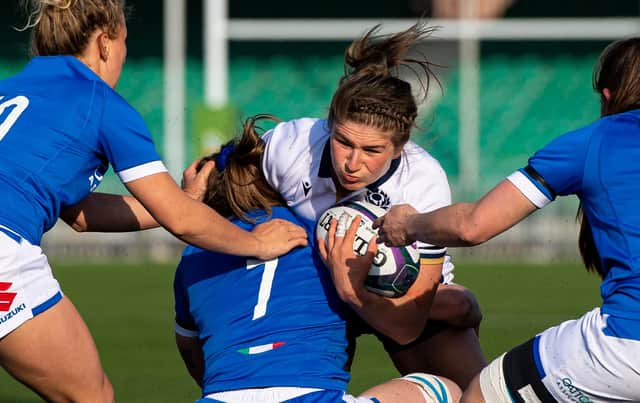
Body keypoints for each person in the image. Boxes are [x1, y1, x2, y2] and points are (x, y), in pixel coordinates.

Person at [0, 1, 306, 402]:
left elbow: (79, 214)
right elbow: (182, 222)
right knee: (90, 397)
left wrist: (184, 199)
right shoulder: (100, 102)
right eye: (125, 42)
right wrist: (257, 243)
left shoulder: (12, 88)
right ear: (105, 43)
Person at [374, 37, 640, 402]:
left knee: (483, 392)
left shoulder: (595, 141)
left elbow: (473, 225)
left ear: (608, 95)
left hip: (626, 345)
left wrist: (407, 225)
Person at [256, 22, 487, 387]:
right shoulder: (291, 145)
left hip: (392, 296)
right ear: (329, 125)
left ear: (400, 147)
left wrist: (351, 288)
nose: (352, 162)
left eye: (372, 150)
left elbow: (407, 327)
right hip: (308, 287)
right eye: (344, 142)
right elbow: (226, 186)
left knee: (474, 385)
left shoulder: (422, 180)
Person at [173, 122, 462, 403]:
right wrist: (466, 306)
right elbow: (428, 308)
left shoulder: (193, 257)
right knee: (443, 389)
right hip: (312, 396)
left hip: (219, 396)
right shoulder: (326, 241)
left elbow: (190, 349)